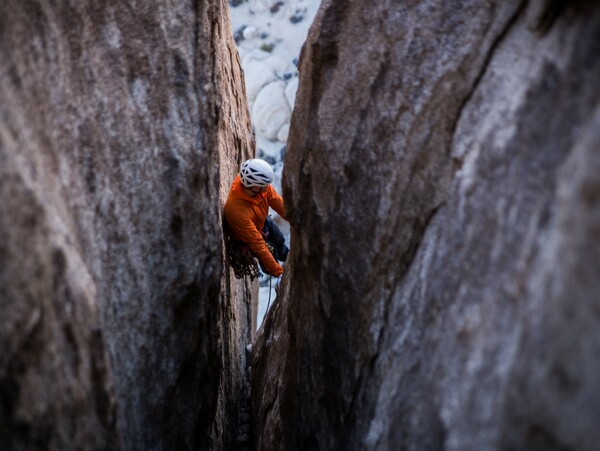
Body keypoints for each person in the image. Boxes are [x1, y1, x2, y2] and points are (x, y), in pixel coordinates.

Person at [224, 159, 289, 278]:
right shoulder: (237, 211)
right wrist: (279, 273)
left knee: (279, 239)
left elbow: (279, 204)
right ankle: (275, 271)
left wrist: (299, 221)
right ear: (254, 187)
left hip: (261, 222)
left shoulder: (258, 187)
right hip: (248, 237)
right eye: (264, 186)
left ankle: (287, 257)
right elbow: (257, 244)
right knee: (271, 252)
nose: (267, 187)